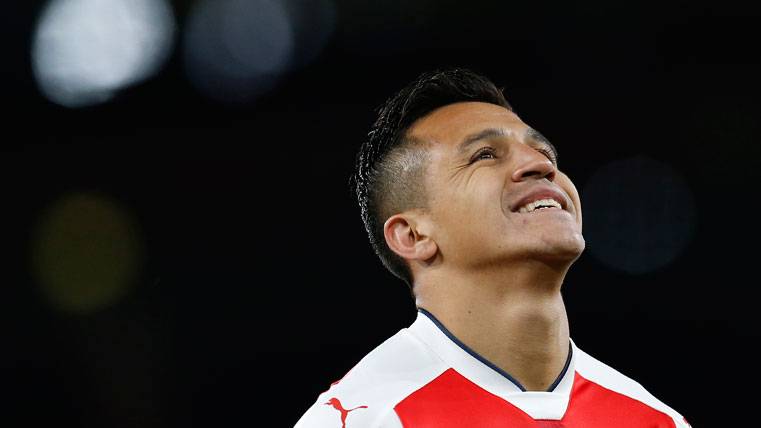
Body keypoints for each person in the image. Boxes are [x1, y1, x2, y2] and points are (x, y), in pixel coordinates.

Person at [295, 69, 690, 427]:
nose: (541, 166)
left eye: (545, 153)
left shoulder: (656, 421)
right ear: (413, 236)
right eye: (484, 155)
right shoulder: (362, 418)